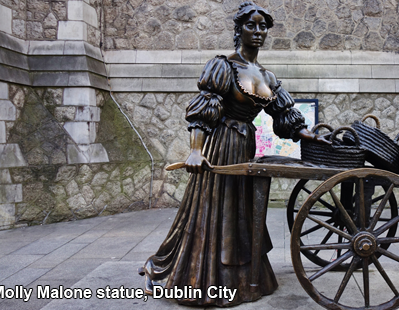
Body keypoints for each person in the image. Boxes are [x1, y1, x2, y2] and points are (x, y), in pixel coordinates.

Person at [139, 2, 328, 307]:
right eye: (251, 25)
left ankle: (244, 277)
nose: (258, 32)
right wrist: (195, 151)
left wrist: (311, 134)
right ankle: (198, 275)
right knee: (214, 208)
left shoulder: (267, 76)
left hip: (247, 145)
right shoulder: (223, 66)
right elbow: (204, 111)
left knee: (241, 211)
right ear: (239, 29)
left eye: (263, 26)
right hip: (222, 145)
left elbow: (286, 118)